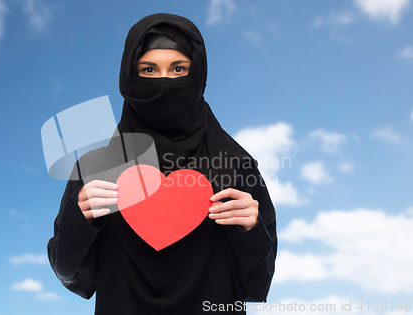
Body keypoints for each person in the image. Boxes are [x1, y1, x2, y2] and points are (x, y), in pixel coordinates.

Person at [47, 13, 277, 315]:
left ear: (199, 76)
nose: (164, 82)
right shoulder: (95, 168)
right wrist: (80, 220)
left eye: (179, 69)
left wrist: (251, 230)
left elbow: (257, 285)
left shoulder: (236, 167)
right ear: (128, 76)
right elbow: (73, 277)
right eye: (148, 70)